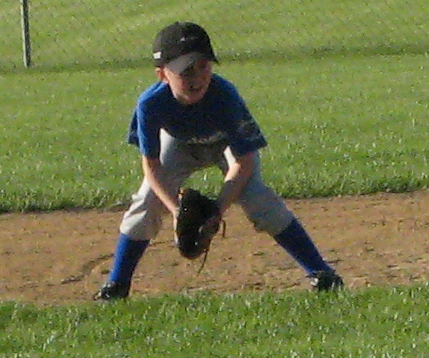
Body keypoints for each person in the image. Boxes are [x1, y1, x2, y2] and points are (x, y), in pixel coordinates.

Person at [95, 21, 344, 300]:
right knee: (145, 202)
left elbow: (244, 161)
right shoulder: (150, 104)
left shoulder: (224, 96)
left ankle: (321, 273)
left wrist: (217, 211)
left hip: (226, 145)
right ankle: (116, 285)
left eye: (203, 66)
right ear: (162, 75)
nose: (197, 77)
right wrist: (177, 211)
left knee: (257, 197)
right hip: (178, 145)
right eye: (185, 71)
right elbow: (151, 165)